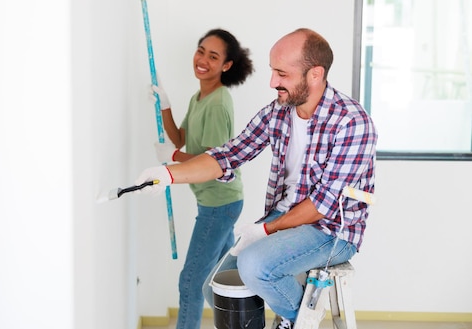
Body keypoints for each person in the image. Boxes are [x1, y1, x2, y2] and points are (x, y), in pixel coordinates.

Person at [136, 28, 377, 329]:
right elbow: (228, 154)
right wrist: (168, 175)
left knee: (254, 265)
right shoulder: (279, 112)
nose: (273, 82)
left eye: (282, 74)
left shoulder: (352, 122)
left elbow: (322, 206)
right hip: (285, 218)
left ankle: (295, 319)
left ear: (315, 74)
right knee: (215, 289)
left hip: (331, 231)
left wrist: (265, 230)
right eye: (272, 72)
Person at [150, 28, 254, 329]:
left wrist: (171, 159)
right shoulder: (200, 98)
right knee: (214, 282)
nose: (203, 59)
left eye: (213, 56)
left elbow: (213, 163)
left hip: (219, 205)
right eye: (201, 50)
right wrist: (165, 104)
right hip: (217, 203)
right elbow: (180, 138)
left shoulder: (219, 103)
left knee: (191, 282)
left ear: (226, 65)